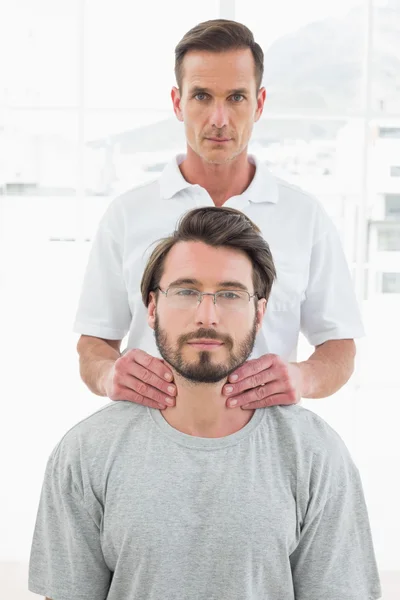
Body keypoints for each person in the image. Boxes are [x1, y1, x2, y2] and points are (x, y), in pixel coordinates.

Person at [30, 207, 381, 600]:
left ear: (260, 312)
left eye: (230, 294)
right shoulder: (86, 452)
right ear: (151, 307)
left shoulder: (316, 455)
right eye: (186, 291)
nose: (207, 316)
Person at [74, 19, 364, 411]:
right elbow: (94, 343)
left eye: (236, 98)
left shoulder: (305, 217)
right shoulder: (126, 215)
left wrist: (302, 376)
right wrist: (109, 373)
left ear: (259, 103)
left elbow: (339, 346)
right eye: (202, 96)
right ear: (178, 103)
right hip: (147, 449)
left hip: (265, 452)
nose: (219, 119)